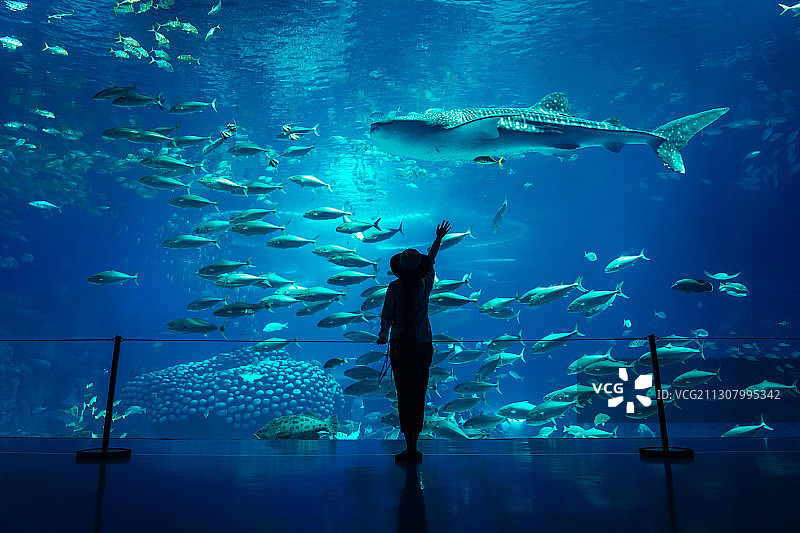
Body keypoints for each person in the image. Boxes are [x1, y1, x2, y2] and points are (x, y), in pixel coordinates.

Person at [377, 220, 450, 463]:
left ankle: (408, 445)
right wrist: (438, 238)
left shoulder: (394, 287)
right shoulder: (425, 284)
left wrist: (382, 335)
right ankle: (414, 446)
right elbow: (431, 260)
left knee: (403, 394)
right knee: (418, 394)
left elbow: (386, 315)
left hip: (400, 347)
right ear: (419, 269)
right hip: (422, 346)